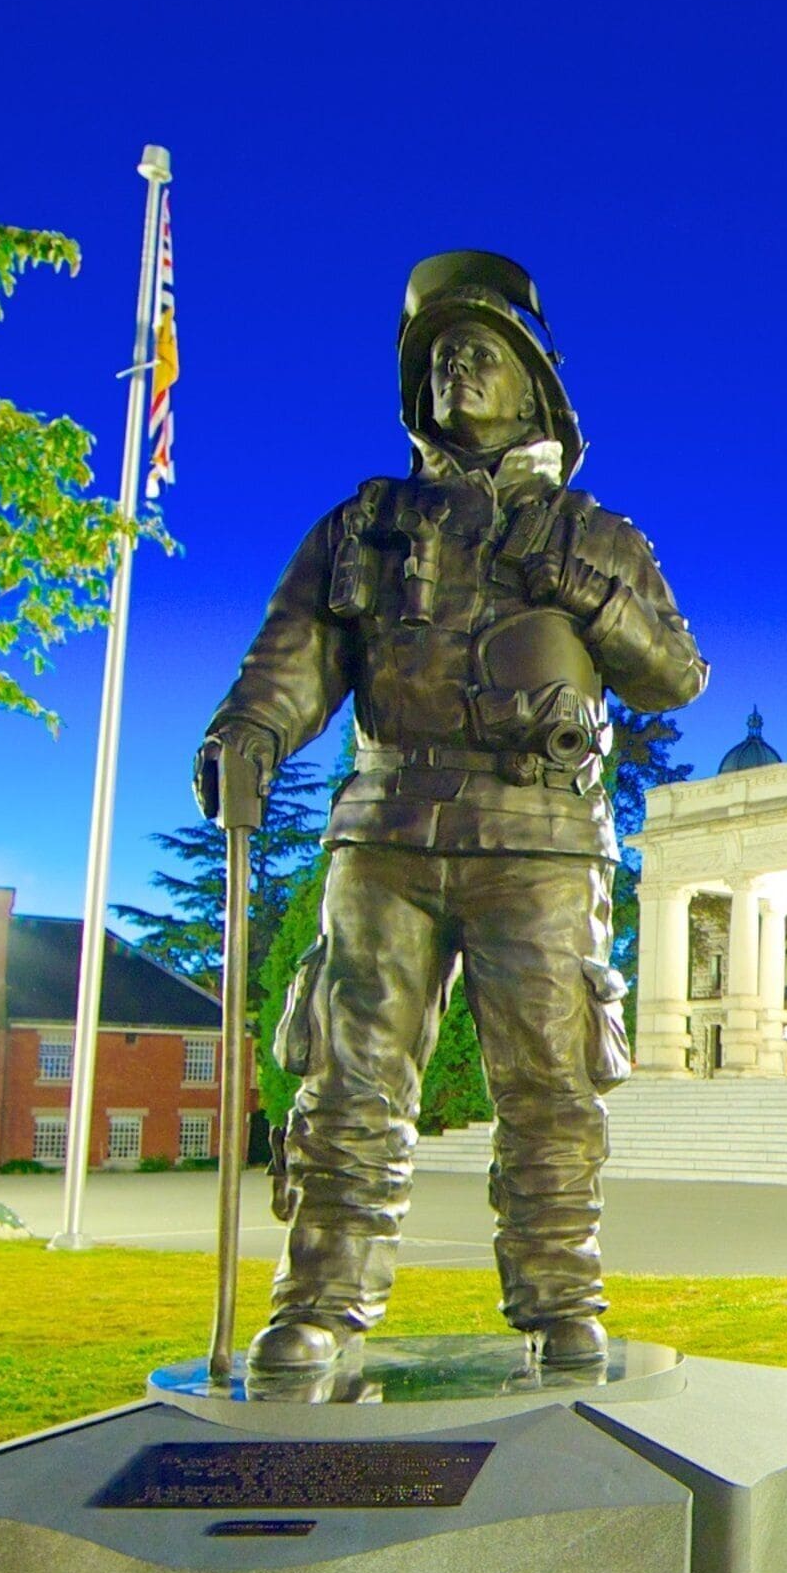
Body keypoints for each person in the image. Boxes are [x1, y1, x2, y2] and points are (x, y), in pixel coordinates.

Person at [195, 252, 706, 1371]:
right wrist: (250, 734)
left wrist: (586, 590)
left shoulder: (599, 534)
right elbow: (292, 662)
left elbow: (675, 675)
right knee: (351, 1081)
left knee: (550, 1087)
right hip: (387, 828)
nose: (457, 372)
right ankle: (319, 1305)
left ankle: (563, 1303)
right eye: (439, 359)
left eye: (482, 354)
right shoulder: (361, 529)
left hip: (538, 834)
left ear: (535, 385)